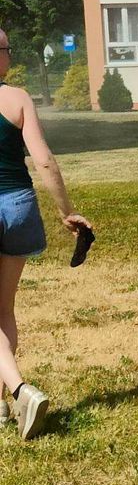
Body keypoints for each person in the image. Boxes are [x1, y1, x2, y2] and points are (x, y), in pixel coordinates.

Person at [0, 30, 91, 440]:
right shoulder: (17, 98)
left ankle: (19, 389)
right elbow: (43, 160)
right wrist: (66, 211)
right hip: (17, 205)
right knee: (3, 308)